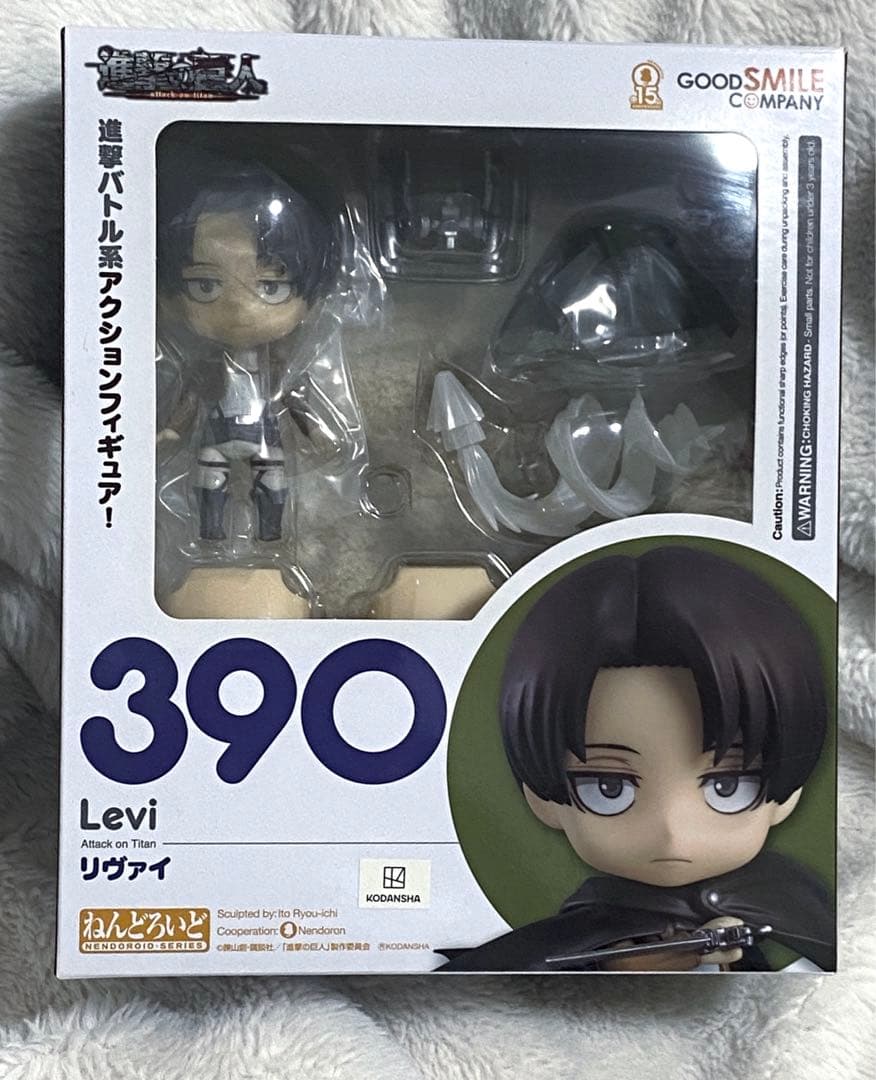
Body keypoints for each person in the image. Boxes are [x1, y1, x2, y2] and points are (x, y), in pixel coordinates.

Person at [439, 546, 834, 971]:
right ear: (543, 797)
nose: (671, 832)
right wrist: (618, 968)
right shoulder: (570, 938)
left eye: (727, 786)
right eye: (609, 788)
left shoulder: (794, 903)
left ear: (786, 792)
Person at [157, 161, 337, 542]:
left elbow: (293, 399)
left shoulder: (276, 366)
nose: (240, 309)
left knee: (273, 481)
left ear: (312, 298)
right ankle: (210, 533)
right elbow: (190, 398)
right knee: (209, 481)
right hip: (217, 433)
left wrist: (315, 431)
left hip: (263, 433)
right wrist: (172, 429)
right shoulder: (208, 364)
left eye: (271, 287)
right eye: (205, 285)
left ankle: (270, 533)